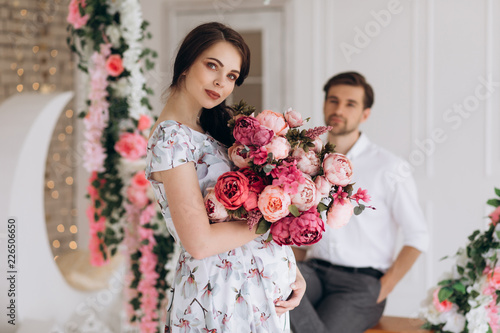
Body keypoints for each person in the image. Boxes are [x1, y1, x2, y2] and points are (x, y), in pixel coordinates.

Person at [145, 22, 305, 332]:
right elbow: (200, 242)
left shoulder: (214, 128)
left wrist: (291, 268)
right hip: (221, 298)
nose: (221, 82)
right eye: (212, 66)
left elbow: (244, 211)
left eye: (231, 76)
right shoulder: (171, 137)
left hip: (258, 295)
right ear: (186, 63)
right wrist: (276, 220)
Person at [290, 72, 429, 333]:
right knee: (275, 279)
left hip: (361, 285)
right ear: (324, 105)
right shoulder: (307, 161)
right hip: (313, 272)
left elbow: (418, 237)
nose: (339, 109)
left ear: (365, 114)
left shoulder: (389, 168)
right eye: (333, 100)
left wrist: (382, 288)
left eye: (350, 103)